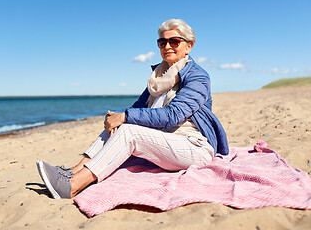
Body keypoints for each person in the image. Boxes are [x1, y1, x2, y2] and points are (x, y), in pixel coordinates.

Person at [36, 19, 229, 199]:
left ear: (189, 45)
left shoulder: (198, 77)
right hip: (166, 142)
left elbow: (173, 115)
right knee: (121, 124)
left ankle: (72, 186)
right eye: (162, 42)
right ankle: (73, 171)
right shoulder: (159, 77)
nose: (167, 46)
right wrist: (116, 118)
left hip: (193, 147)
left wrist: (126, 117)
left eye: (174, 41)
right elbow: (137, 108)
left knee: (129, 128)